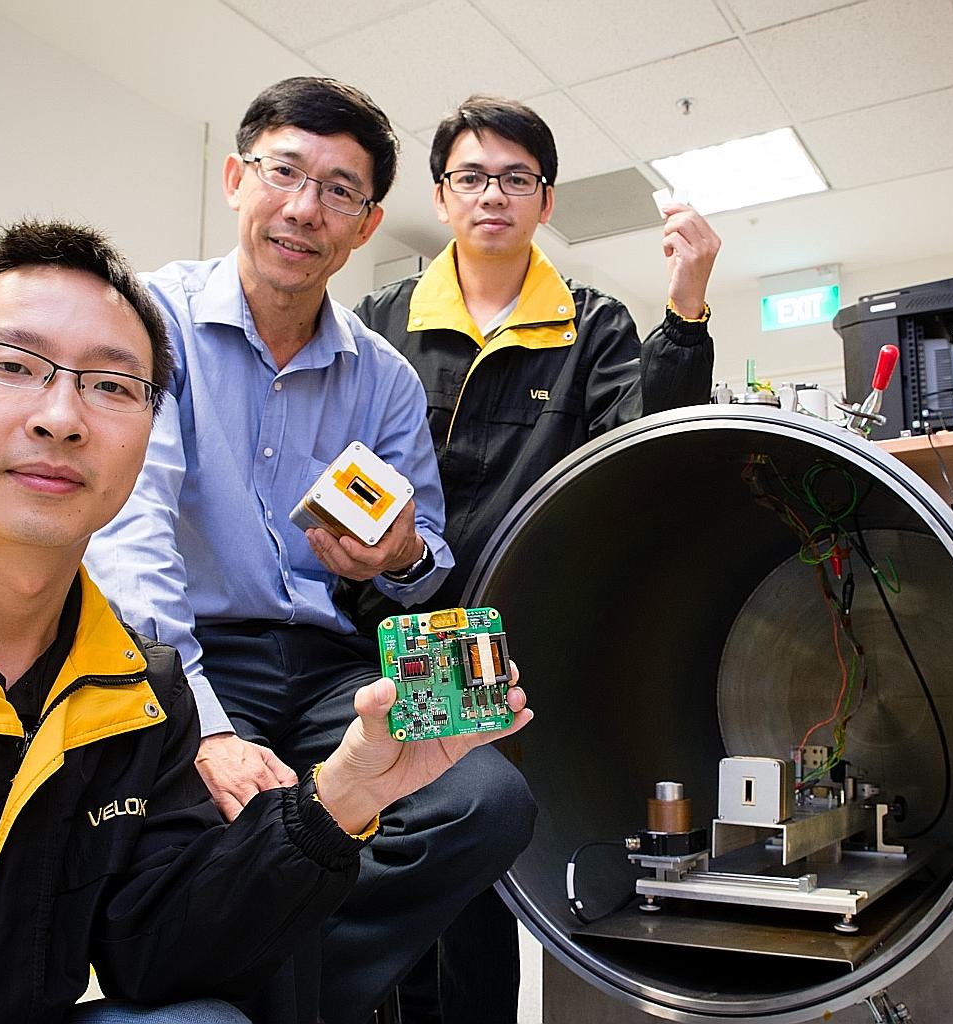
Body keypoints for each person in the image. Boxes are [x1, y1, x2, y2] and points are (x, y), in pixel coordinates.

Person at [0, 219, 530, 1024]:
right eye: (14, 367)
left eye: (112, 386)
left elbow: (156, 950)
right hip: (209, 650)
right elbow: (143, 557)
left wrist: (341, 795)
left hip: (331, 654)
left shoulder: (131, 689)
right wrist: (215, 728)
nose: (62, 417)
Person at [84, 78, 537, 1023]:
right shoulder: (150, 321)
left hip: (336, 657)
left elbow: (428, 569)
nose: (303, 209)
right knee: (238, 820)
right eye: (284, 172)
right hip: (192, 648)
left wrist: (399, 556)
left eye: (339, 190)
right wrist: (203, 723)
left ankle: (256, 982)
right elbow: (131, 535)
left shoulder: (386, 379)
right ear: (235, 178)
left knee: (486, 801)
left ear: (367, 225)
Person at [350, 95, 721, 1022]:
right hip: (379, 625)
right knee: (368, 867)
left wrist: (686, 306)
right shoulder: (380, 319)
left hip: (499, 643)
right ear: (441, 197)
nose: (493, 195)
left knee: (472, 881)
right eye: (472, 177)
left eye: (517, 179)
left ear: (546, 201)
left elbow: (648, 447)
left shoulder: (590, 323)